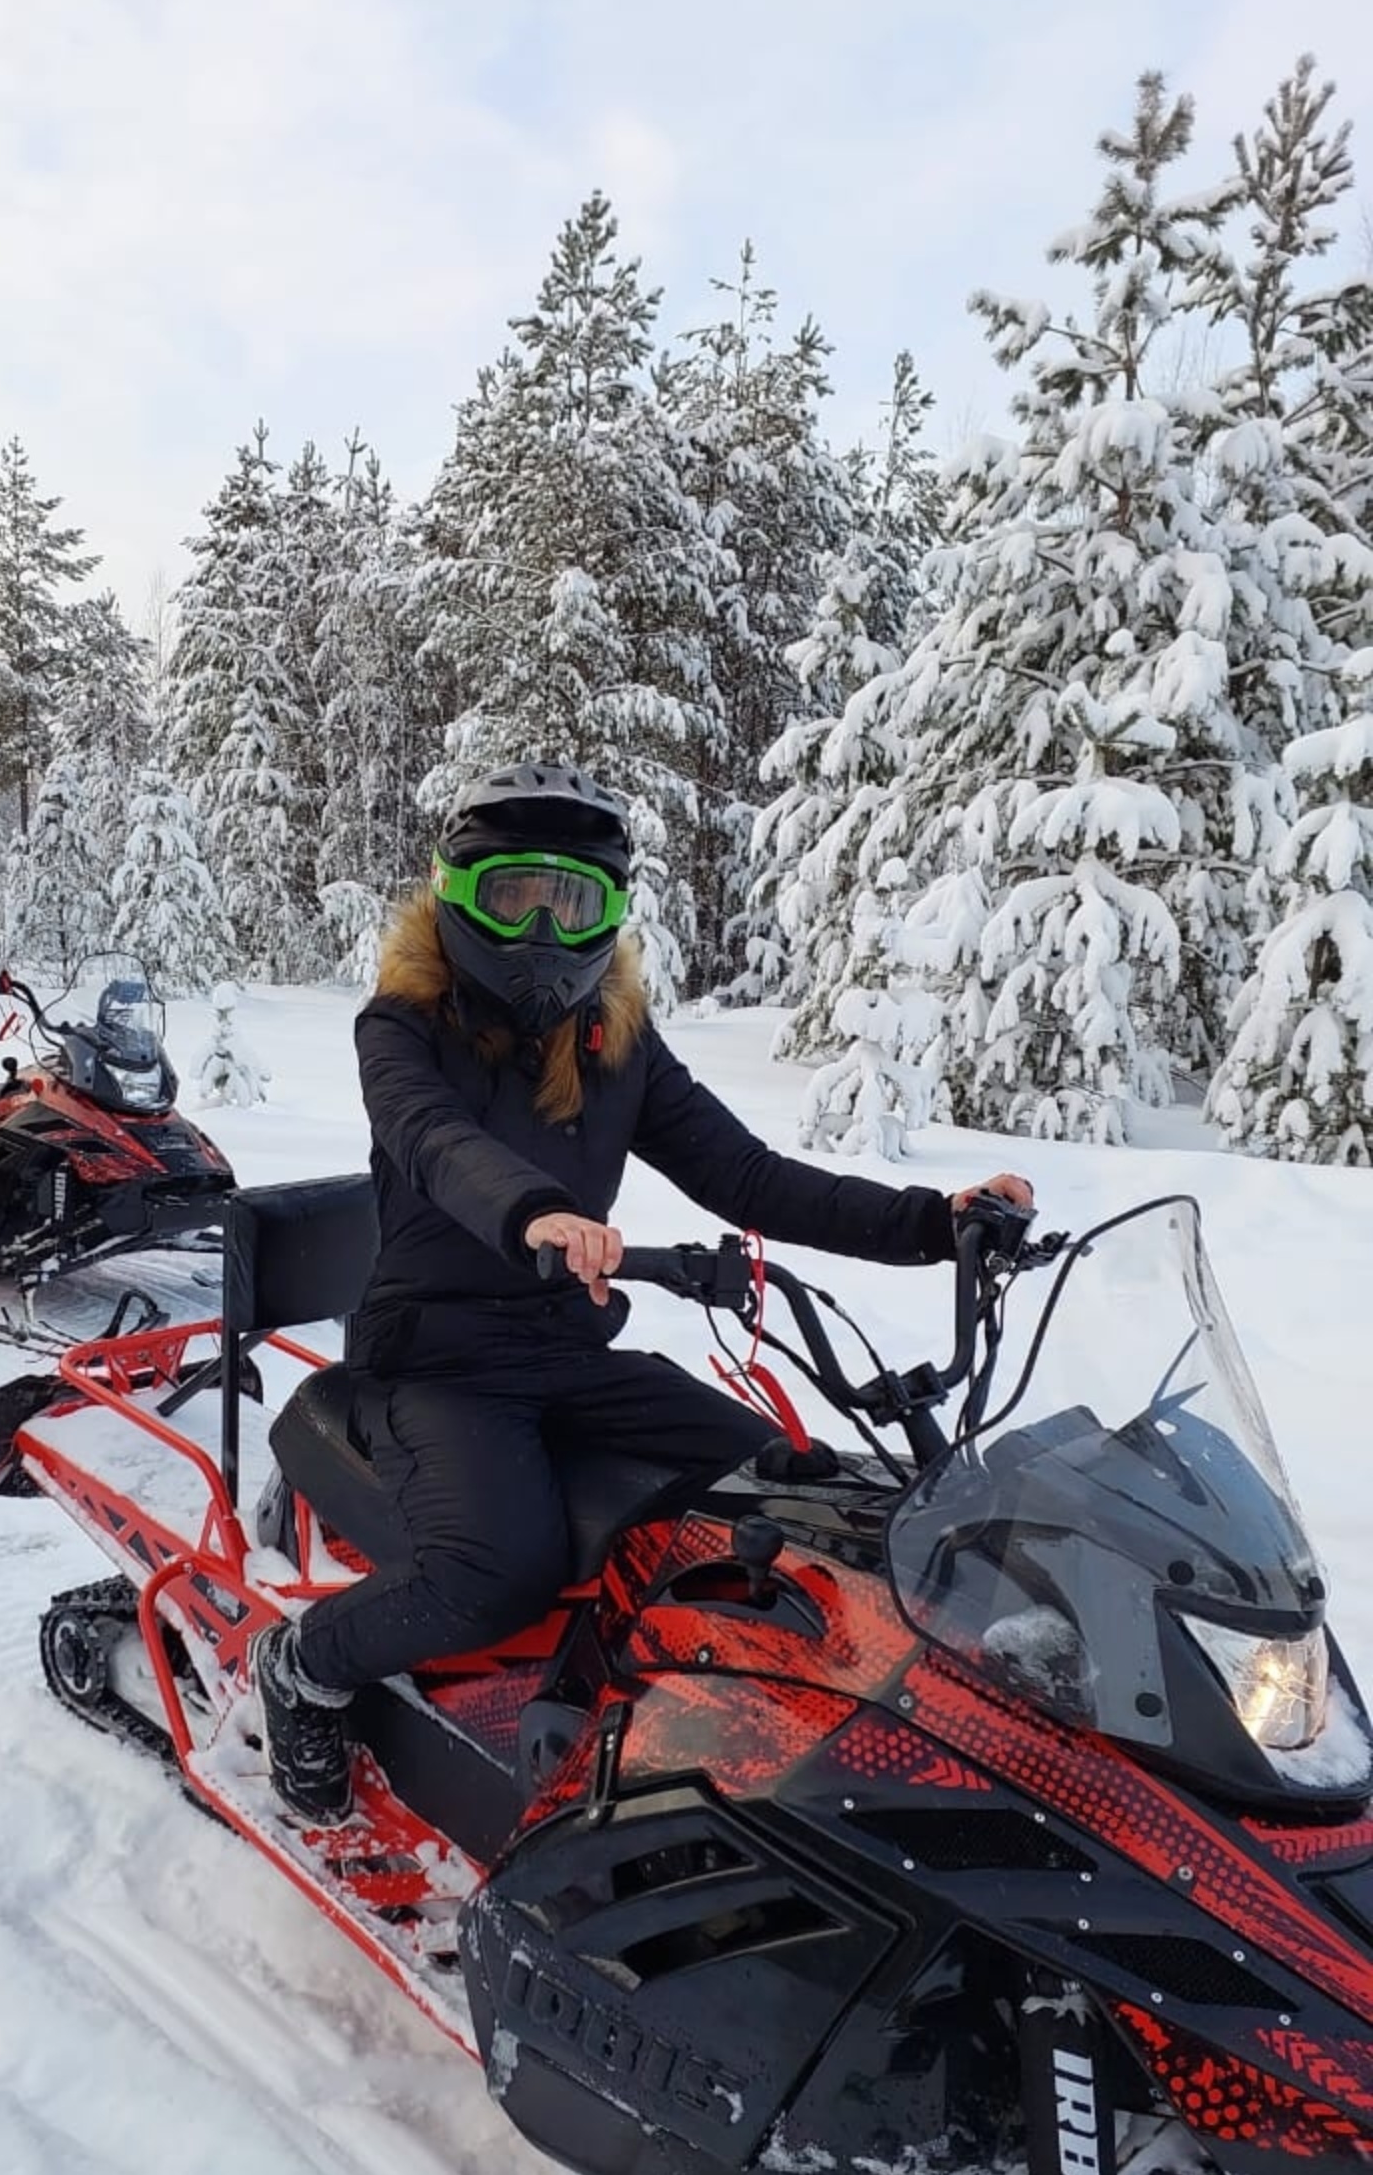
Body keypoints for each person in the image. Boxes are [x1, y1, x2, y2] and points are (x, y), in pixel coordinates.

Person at [251, 762, 1030, 1823]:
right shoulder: (403, 1026)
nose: (538, 931)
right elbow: (435, 1140)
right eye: (512, 895)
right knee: (495, 1568)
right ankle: (303, 1661)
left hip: (570, 1351)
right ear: (455, 896)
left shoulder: (615, 1044)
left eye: (569, 901)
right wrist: (533, 1210)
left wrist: (935, 1223)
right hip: (435, 1360)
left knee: (794, 1488)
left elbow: (747, 1175)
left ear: (608, 913)